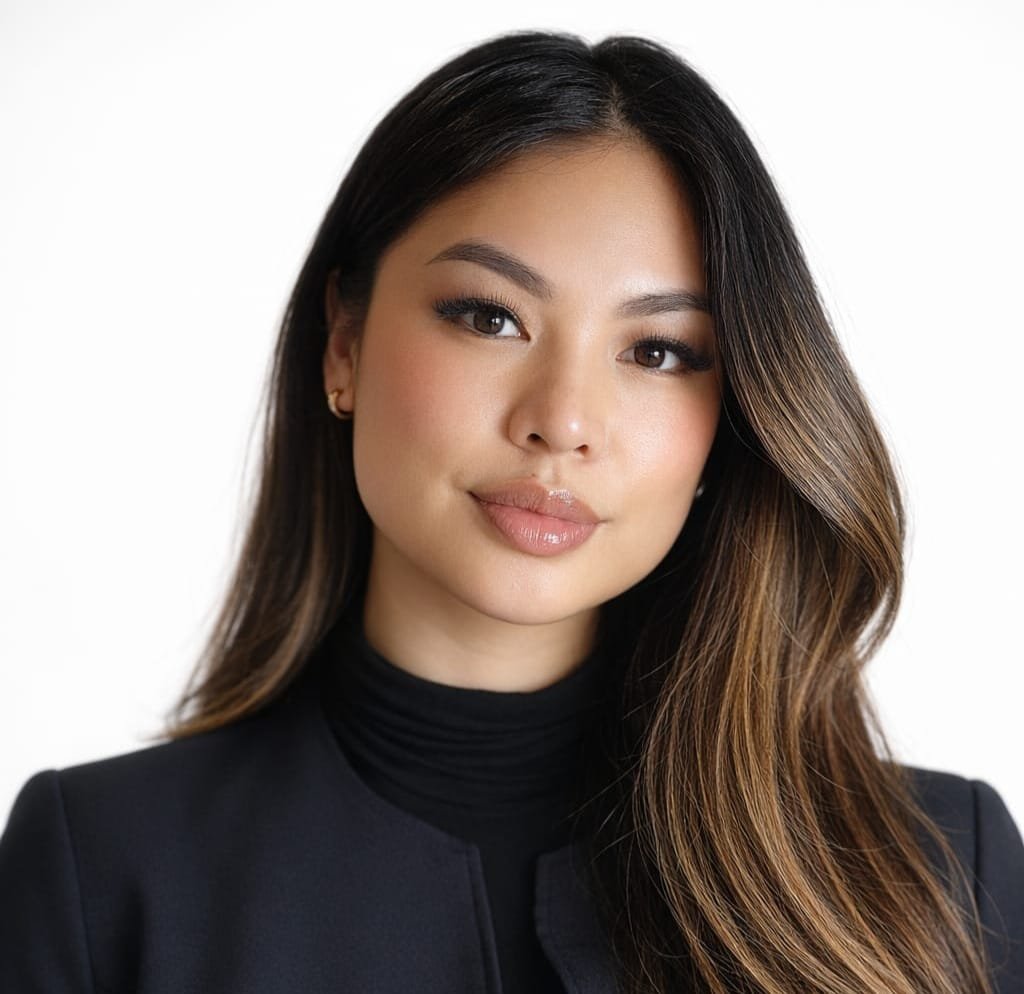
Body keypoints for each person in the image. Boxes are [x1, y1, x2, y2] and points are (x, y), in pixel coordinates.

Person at [1, 28, 1021, 994]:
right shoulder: (101, 872)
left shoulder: (941, 871)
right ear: (344, 344)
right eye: (490, 316)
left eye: (657, 351)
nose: (562, 421)